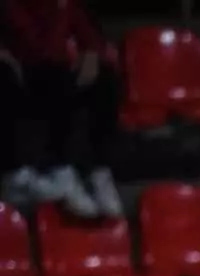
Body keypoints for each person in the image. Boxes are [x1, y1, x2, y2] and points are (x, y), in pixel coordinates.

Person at [0, 0, 121, 220]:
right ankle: (55, 171)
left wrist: (91, 51)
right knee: (51, 75)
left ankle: (98, 171)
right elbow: (36, 44)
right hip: (21, 69)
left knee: (105, 77)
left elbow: (84, 27)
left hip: (50, 66)